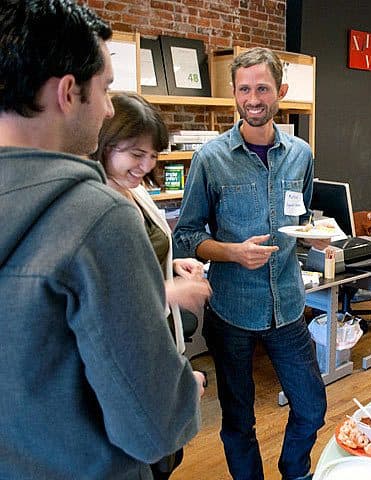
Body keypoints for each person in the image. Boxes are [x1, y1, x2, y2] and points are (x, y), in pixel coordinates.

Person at [0, 2, 203, 479]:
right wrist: (185, 393)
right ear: (69, 92)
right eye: (106, 88)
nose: (110, 107)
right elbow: (155, 427)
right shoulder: (98, 216)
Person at [173, 47, 327, 480]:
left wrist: (315, 236)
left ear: (281, 91)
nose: (253, 98)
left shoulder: (301, 153)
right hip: (232, 309)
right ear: (234, 93)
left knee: (312, 406)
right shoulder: (211, 158)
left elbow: (302, 216)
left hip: (289, 305)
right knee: (239, 420)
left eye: (262, 88)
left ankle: (295, 472)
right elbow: (187, 236)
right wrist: (233, 252)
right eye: (244, 89)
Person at [91, 93, 212, 479]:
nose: (145, 165)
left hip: (162, 336)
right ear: (105, 144)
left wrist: (171, 259)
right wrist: (172, 291)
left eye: (153, 155)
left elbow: (146, 247)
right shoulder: (95, 203)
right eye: (135, 154)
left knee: (167, 453)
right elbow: (102, 295)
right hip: (134, 351)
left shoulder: (134, 187)